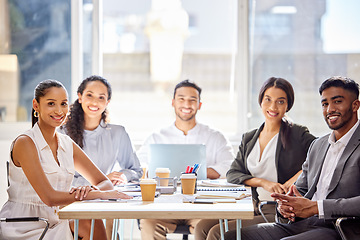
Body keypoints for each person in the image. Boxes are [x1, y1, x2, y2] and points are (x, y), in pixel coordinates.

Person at [0, 79, 131, 240]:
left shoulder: (66, 143)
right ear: (36, 105)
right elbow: (49, 198)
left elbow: (104, 182)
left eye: (63, 104)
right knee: (89, 223)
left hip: (57, 220)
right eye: (51, 104)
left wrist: (88, 189)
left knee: (91, 221)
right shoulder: (25, 143)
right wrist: (98, 195)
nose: (59, 110)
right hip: (26, 225)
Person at [234, 76, 360, 240]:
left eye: (337, 101)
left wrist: (317, 207)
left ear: (355, 105)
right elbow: (300, 190)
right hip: (304, 223)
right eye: (325, 104)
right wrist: (286, 206)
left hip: (340, 229)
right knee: (231, 236)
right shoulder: (318, 145)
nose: (330, 109)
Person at [195, 77, 316, 240]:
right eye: (268, 100)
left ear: (288, 105)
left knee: (217, 233)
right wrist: (262, 182)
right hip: (250, 206)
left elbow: (322, 157)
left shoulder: (297, 133)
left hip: (278, 210)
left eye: (280, 102)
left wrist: (295, 179)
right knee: (202, 227)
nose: (273, 107)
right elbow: (233, 173)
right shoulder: (249, 138)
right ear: (261, 102)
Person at [137, 79, 235, 240]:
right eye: (181, 99)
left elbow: (229, 167)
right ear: (173, 103)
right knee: (148, 223)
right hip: (164, 205)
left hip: (201, 205)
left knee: (211, 227)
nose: (186, 104)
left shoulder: (215, 137)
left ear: (199, 105)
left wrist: (200, 173)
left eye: (192, 100)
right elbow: (141, 165)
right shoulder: (156, 137)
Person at [60, 75, 142, 187]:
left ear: (107, 102)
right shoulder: (62, 134)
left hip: (106, 198)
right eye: (89, 95)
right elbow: (59, 180)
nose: (94, 102)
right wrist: (101, 181)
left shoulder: (118, 133)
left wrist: (123, 176)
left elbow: (136, 171)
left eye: (101, 97)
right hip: (74, 200)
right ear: (80, 97)